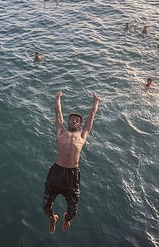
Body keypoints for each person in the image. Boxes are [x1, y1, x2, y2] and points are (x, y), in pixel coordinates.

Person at [42, 91, 100, 234]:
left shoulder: (82, 135)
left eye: (77, 120)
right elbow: (57, 114)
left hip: (73, 174)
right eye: (72, 119)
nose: (74, 121)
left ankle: (66, 219)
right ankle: (52, 218)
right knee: (45, 205)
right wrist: (57, 98)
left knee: (73, 210)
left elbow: (91, 116)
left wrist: (96, 101)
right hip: (57, 171)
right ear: (67, 122)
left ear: (80, 125)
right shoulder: (61, 131)